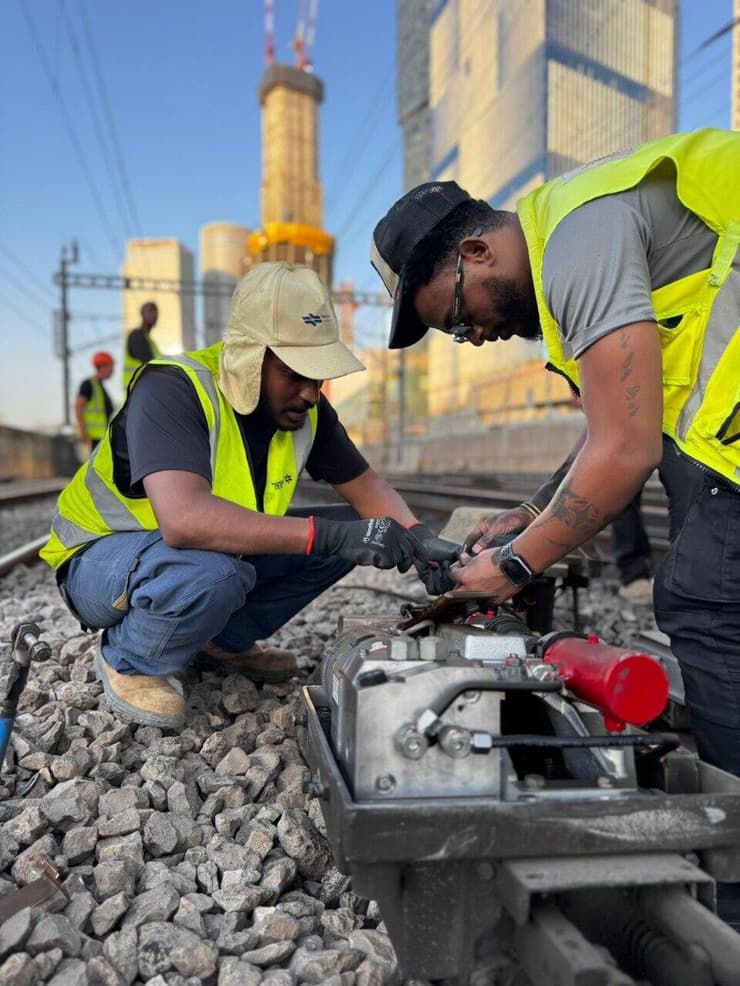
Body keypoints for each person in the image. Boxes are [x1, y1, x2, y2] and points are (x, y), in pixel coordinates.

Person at [370, 128, 740, 782]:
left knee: (705, 598)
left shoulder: (578, 240)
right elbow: (616, 421)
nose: (475, 339)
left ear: (477, 251)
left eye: (459, 318)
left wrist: (515, 563)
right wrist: (536, 510)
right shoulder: (568, 242)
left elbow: (627, 450)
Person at [40, 263, 458, 730]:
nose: (310, 393)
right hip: (101, 564)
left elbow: (367, 489)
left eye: (318, 377)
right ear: (247, 356)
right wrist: (329, 536)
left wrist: (418, 538)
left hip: (194, 560)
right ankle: (132, 658)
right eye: (296, 374)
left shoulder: (307, 412)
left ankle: (220, 640)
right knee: (222, 570)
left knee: (356, 528)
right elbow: (184, 520)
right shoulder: (175, 389)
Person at [73, 350, 115, 451]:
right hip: (90, 438)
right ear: (103, 366)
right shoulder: (88, 384)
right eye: (111, 367)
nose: (112, 371)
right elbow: (78, 406)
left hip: (99, 438)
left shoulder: (99, 387)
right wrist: (83, 432)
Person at [122, 300, 160, 390]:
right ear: (142, 313)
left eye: (156, 311)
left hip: (142, 389)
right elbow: (150, 363)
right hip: (137, 390)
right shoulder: (137, 336)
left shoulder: (149, 340)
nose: (154, 314)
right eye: (151, 310)